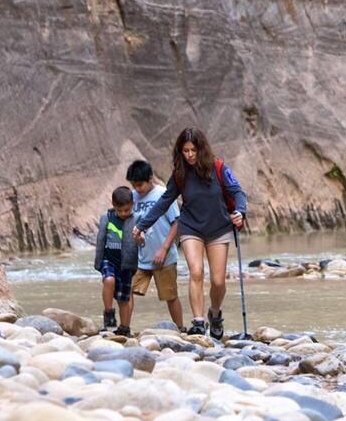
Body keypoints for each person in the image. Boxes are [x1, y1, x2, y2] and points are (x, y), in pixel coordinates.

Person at [134, 128, 248, 339]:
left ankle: (214, 314)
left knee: (218, 281)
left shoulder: (219, 167)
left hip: (218, 228)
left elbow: (237, 192)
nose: (189, 155)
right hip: (191, 227)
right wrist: (142, 225)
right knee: (196, 271)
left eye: (193, 150)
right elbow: (164, 202)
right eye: (185, 151)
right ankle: (197, 321)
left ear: (201, 149)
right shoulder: (180, 174)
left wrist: (240, 211)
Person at [125, 160, 186, 331]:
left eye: (140, 184)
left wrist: (164, 248)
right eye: (134, 185)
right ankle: (125, 328)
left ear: (150, 178)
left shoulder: (164, 194)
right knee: (126, 290)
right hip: (140, 256)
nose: (137, 189)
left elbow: (176, 222)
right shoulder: (132, 197)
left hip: (164, 256)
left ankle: (180, 329)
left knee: (170, 296)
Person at [93, 187, 136, 334]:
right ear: (113, 205)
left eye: (126, 210)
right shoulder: (107, 217)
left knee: (123, 299)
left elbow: (142, 243)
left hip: (126, 264)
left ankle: (124, 328)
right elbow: (100, 239)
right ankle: (109, 312)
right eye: (120, 211)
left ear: (132, 205)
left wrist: (141, 240)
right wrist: (98, 262)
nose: (123, 214)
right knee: (109, 280)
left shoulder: (136, 219)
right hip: (108, 259)